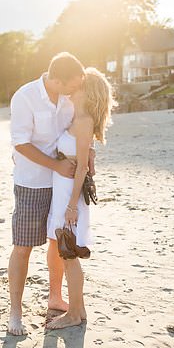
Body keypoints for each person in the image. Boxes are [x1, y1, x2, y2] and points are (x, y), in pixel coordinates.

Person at [6, 52, 88, 335]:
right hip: (32, 183)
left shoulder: (70, 98)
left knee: (58, 244)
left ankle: (55, 296)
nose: (75, 89)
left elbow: (81, 132)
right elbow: (20, 143)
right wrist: (56, 164)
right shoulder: (25, 96)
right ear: (55, 79)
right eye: (71, 84)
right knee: (23, 247)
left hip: (62, 184)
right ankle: (15, 313)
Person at [45, 67, 115, 329]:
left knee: (69, 253)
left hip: (70, 197)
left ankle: (73, 315)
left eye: (80, 86)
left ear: (89, 93)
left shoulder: (84, 121)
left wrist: (72, 205)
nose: (73, 89)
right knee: (67, 250)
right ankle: (79, 309)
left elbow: (83, 166)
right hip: (63, 192)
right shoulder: (76, 117)